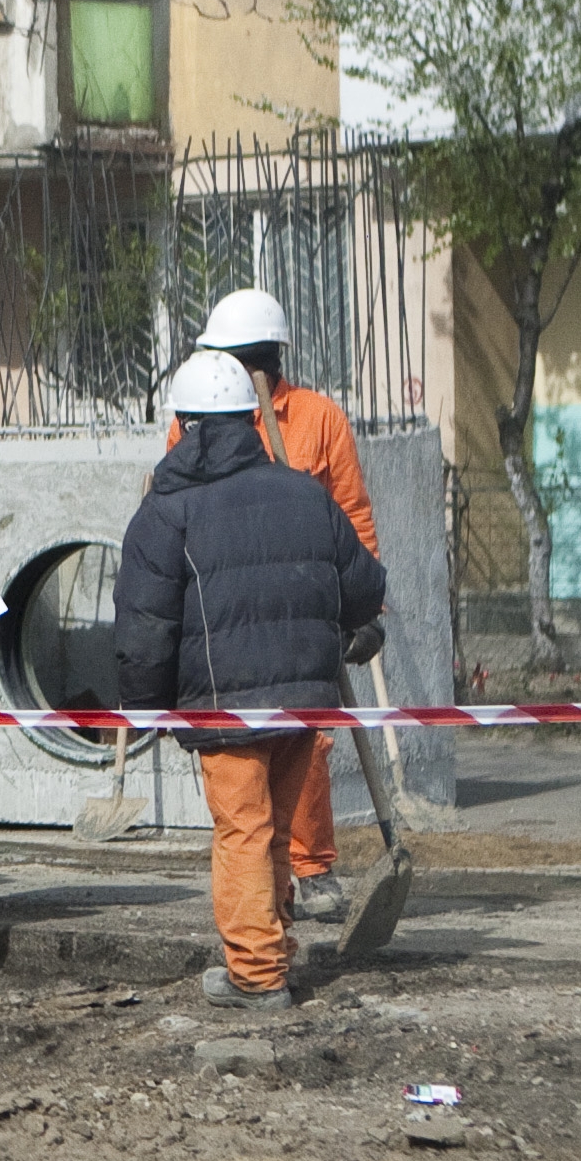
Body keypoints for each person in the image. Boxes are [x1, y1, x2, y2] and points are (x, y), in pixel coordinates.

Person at [113, 350, 386, 1009]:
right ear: (247, 422)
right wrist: (355, 631)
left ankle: (257, 975)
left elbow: (144, 628)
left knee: (243, 832)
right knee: (274, 832)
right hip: (304, 703)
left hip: (223, 708)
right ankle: (275, 954)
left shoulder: (166, 511)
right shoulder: (303, 492)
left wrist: (145, 710)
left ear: (185, 426)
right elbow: (365, 588)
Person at [183, 288, 382, 923]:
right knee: (243, 760)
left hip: (302, 608)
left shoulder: (319, 418)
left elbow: (351, 512)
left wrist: (365, 608)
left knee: (308, 742)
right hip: (230, 612)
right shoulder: (198, 419)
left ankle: (312, 863)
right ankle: (267, 893)